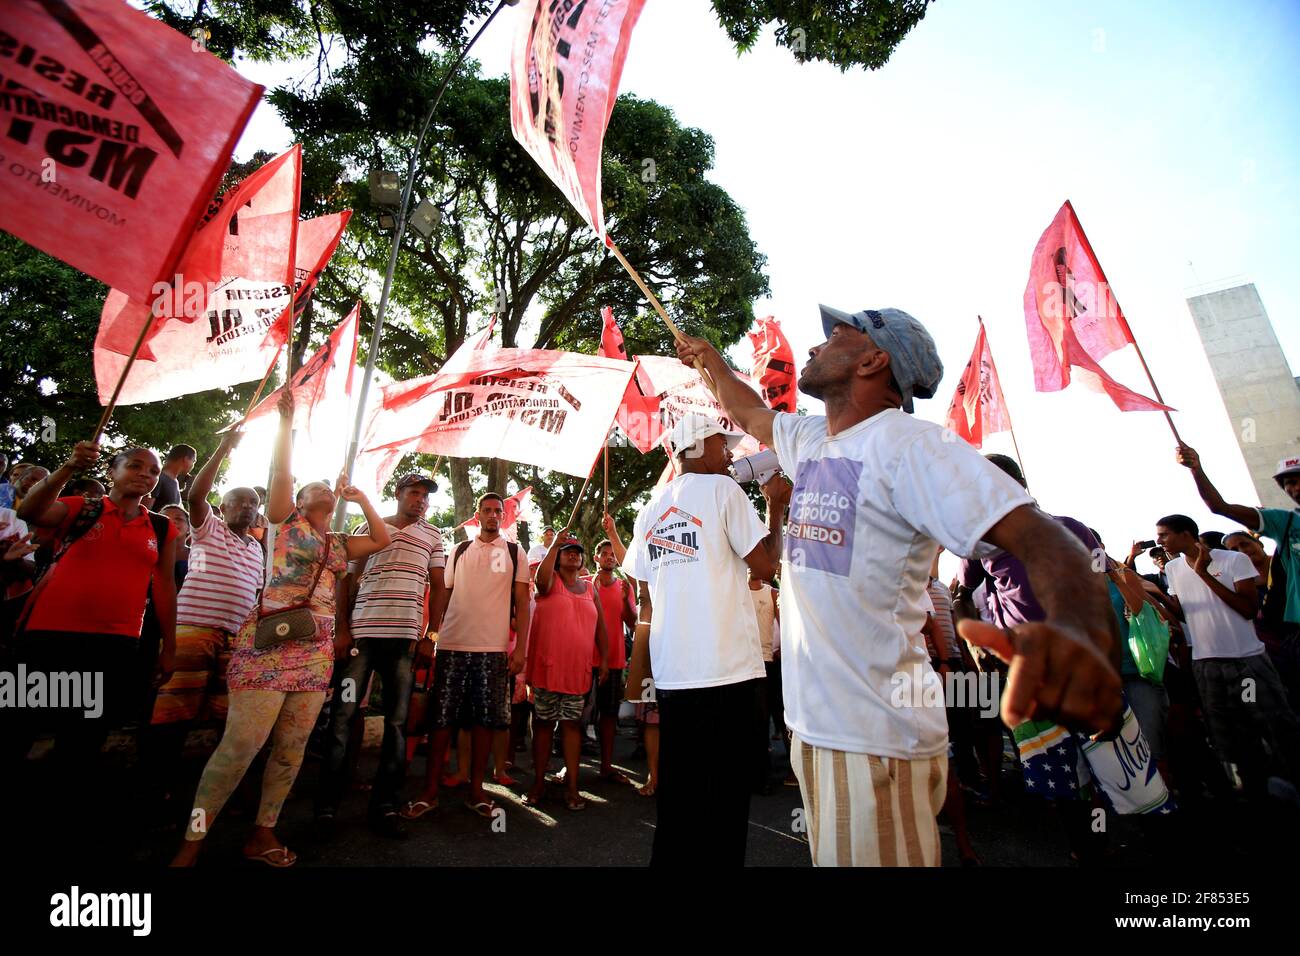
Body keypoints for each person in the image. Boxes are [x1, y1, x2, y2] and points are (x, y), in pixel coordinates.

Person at [675, 305, 1123, 868]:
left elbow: (1046, 540)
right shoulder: (814, 439)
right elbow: (750, 413)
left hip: (875, 741)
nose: (815, 348)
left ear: (873, 360)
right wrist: (712, 362)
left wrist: (1083, 647)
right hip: (818, 731)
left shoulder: (914, 447)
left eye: (836, 335)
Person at [171, 390, 391, 867]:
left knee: (290, 750)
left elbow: (381, 539)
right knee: (240, 746)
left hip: (314, 656)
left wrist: (361, 497)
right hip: (267, 645)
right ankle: (192, 842)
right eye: (317, 490)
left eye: (330, 494)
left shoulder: (336, 543)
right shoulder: (282, 522)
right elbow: (280, 475)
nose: (325, 494)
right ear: (298, 500)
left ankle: (262, 832)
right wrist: (286, 428)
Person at [621, 412, 786, 866]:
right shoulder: (724, 490)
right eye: (721, 444)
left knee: (679, 792)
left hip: (675, 671)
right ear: (695, 449)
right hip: (726, 669)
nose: (730, 452)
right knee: (726, 798)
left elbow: (643, 589)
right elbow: (766, 566)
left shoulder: (651, 508)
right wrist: (776, 505)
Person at [7, 442, 178, 859]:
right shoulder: (80, 508)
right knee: (17, 732)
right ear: (114, 470)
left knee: (81, 742)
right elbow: (30, 512)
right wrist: (67, 467)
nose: (145, 474)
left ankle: (57, 832)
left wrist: (168, 646)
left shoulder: (161, 528)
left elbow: (165, 586)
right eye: (135, 466)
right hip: (48, 638)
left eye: (152, 471)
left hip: (115, 646)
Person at [315, 473, 446, 838]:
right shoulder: (366, 527)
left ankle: (385, 806)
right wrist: (342, 628)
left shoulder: (434, 536)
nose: (420, 500)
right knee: (342, 716)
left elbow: (438, 588)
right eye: (414, 493)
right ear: (398, 494)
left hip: (404, 641)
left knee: (397, 723)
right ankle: (326, 808)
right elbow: (347, 581)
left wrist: (430, 635)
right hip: (361, 638)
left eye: (426, 496)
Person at [145, 429, 264, 816]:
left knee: (222, 719)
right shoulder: (208, 528)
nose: (246, 506)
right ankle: (152, 793)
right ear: (223, 507)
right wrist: (225, 448)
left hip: (236, 642)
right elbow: (196, 495)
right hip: (194, 630)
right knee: (173, 715)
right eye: (238, 501)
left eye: (253, 502)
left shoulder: (258, 550)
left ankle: (207, 794)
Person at [402, 492, 531, 821]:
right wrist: (431, 637)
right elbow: (442, 595)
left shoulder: (516, 553)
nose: (491, 515)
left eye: (497, 511)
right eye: (486, 510)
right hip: (451, 646)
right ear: (477, 515)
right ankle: (429, 793)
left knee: (485, 723)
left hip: (492, 650)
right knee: (441, 721)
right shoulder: (458, 550)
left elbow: (522, 604)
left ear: (503, 517)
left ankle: (477, 792)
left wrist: (522, 650)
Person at [1155, 513, 1300, 794]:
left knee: (1275, 727)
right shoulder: (1172, 570)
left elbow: (1247, 609)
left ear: (1186, 534)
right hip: (1207, 666)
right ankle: (1258, 797)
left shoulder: (1233, 560)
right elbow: (1185, 614)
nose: (1160, 541)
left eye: (1164, 534)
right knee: (1231, 738)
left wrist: (1204, 574)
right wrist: (1157, 597)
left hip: (1246, 661)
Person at [523, 532, 609, 811]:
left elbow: (601, 629)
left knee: (572, 727)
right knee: (544, 724)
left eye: (577, 551)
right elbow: (538, 581)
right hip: (548, 669)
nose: (573, 554)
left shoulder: (590, 588)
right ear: (557, 558)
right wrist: (554, 545)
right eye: (567, 551)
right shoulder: (549, 582)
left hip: (578, 672)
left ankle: (572, 786)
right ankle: (538, 782)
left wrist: (605, 659)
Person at [589, 534, 637, 784]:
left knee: (608, 715)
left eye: (613, 555)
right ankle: (570, 769)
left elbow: (632, 622)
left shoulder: (623, 587)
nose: (609, 557)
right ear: (596, 558)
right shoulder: (586, 584)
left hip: (616, 659)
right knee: (577, 716)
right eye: (604, 554)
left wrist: (627, 601)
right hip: (586, 659)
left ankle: (606, 767)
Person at [153, 445, 197, 510]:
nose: (192, 466)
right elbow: (144, 512)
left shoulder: (175, 482)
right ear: (186, 459)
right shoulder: (157, 479)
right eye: (193, 461)